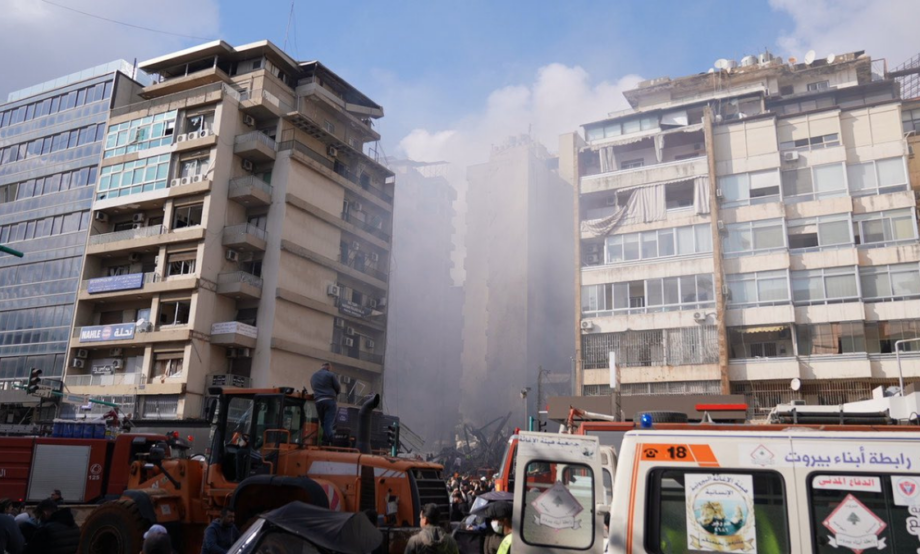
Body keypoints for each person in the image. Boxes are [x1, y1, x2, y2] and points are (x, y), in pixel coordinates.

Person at [309, 362, 341, 445]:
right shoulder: (330, 375)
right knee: (329, 423)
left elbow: (313, 387)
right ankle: (334, 441)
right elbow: (338, 388)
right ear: (328, 367)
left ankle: (325, 441)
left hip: (319, 401)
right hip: (329, 400)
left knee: (323, 423)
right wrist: (335, 393)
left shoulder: (313, 376)